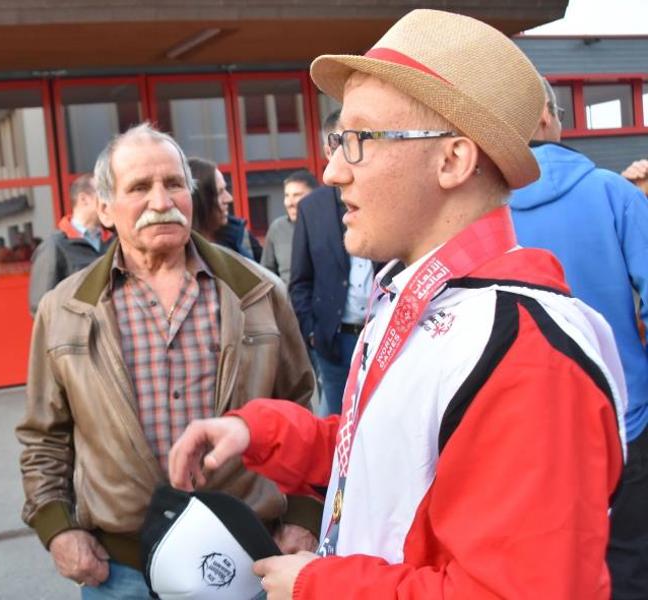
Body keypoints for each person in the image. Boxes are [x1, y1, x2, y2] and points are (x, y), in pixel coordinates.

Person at [168, 9, 626, 599]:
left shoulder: (524, 351)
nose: (332, 171)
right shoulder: (427, 301)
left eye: (357, 140)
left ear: (453, 160)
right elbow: (386, 457)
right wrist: (257, 432)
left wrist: (319, 586)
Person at [17, 123, 319, 598]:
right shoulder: (66, 309)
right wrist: (56, 528)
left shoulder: (257, 292)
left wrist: (304, 515)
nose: (161, 201)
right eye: (140, 187)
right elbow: (43, 437)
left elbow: (300, 412)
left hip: (244, 559)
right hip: (119, 571)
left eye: (174, 184)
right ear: (104, 208)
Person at [511, 76, 648, 600]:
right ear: (547, 117)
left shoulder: (476, 207)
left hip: (522, 428)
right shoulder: (613, 193)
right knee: (629, 560)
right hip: (623, 416)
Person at [289, 111, 379, 416]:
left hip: (382, 334)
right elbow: (300, 280)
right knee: (337, 423)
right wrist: (313, 332)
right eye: (341, 145)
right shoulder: (311, 209)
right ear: (329, 151)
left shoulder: (382, 197)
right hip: (333, 340)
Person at [28, 174, 112, 315]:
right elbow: (41, 307)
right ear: (84, 199)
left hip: (114, 332)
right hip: (79, 334)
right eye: (103, 194)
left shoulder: (114, 241)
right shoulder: (54, 246)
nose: (110, 201)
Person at [188, 156, 257, 260]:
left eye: (225, 189)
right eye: (219, 193)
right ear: (201, 200)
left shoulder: (238, 236)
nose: (229, 198)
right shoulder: (183, 258)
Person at [261, 169, 317, 283]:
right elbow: (266, 273)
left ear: (315, 196)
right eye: (287, 195)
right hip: (288, 299)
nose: (289, 203)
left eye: (297, 195)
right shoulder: (277, 228)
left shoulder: (330, 225)